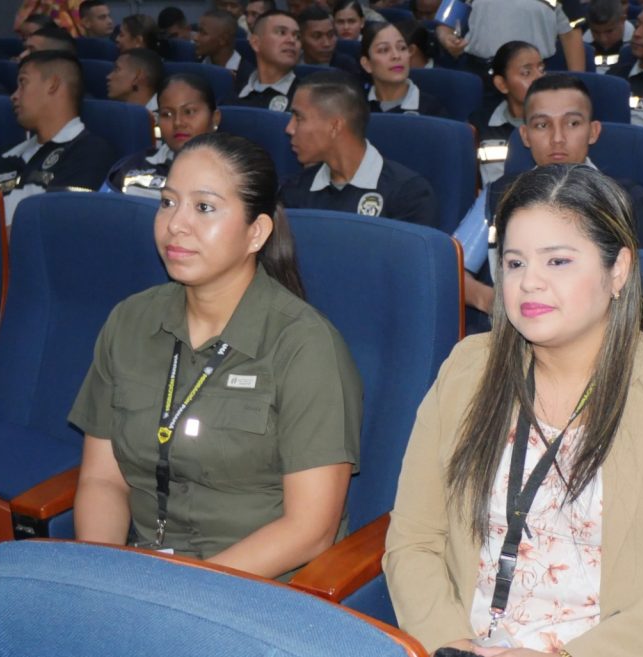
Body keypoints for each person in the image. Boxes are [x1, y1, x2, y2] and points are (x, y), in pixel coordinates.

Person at [384, 163, 643, 656]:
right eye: (514, 263)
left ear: (618, 270)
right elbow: (414, 540)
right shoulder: (467, 370)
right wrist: (452, 644)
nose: (529, 283)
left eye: (557, 261)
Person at [70, 131, 362, 581]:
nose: (176, 224)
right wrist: (101, 578)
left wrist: (180, 592)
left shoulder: (305, 345)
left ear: (256, 232)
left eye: (204, 207)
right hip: (142, 574)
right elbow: (102, 480)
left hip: (255, 588)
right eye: (168, 202)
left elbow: (310, 530)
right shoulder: (130, 321)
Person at [456, 73, 643, 323]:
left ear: (593, 131)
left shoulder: (631, 202)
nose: (557, 138)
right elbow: (452, 266)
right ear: (525, 135)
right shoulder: (499, 194)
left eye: (572, 123)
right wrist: (492, 302)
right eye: (542, 125)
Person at [280, 70, 440, 229]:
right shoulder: (294, 190)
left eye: (298, 118)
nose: (289, 129)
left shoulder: (408, 194)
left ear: (334, 126)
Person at [0, 50, 117, 226]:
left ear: (53, 85)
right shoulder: (8, 153)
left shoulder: (91, 152)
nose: (14, 95)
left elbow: (54, 227)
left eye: (23, 83)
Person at [107, 73, 220, 197]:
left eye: (189, 112)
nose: (177, 122)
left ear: (215, 118)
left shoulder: (231, 171)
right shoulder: (131, 167)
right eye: (167, 114)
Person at [435, 0, 586, 86]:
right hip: (480, 74)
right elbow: (445, 25)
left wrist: (577, 84)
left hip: (537, 76)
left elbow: (571, 34)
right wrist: (447, 38)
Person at [469, 41, 545, 186]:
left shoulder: (560, 123)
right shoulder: (479, 125)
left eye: (541, 69)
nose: (539, 78)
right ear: (502, 84)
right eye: (526, 73)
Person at [360, 22, 447, 117]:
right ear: (367, 64)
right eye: (384, 50)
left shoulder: (431, 110)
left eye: (402, 48)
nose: (396, 56)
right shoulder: (356, 107)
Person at [234, 10, 301, 111]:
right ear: (255, 43)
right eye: (282, 32)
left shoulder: (308, 97)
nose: (292, 40)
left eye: (297, 36)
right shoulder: (235, 91)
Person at [299, 6, 362, 76]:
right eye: (317, 36)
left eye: (330, 35)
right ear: (300, 39)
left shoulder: (346, 67)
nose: (327, 44)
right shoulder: (291, 63)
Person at [106, 48, 164, 115]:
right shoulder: (117, 114)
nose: (108, 77)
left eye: (117, 69)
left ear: (137, 77)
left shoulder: (162, 119)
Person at [585, 0, 634, 73]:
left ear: (622, 20)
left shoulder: (638, 44)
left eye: (609, 31)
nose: (603, 39)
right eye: (596, 32)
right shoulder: (581, 45)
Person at [196, 9, 244, 77]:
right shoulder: (195, 66)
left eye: (204, 33)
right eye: (198, 31)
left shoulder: (247, 76)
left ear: (223, 39)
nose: (196, 38)